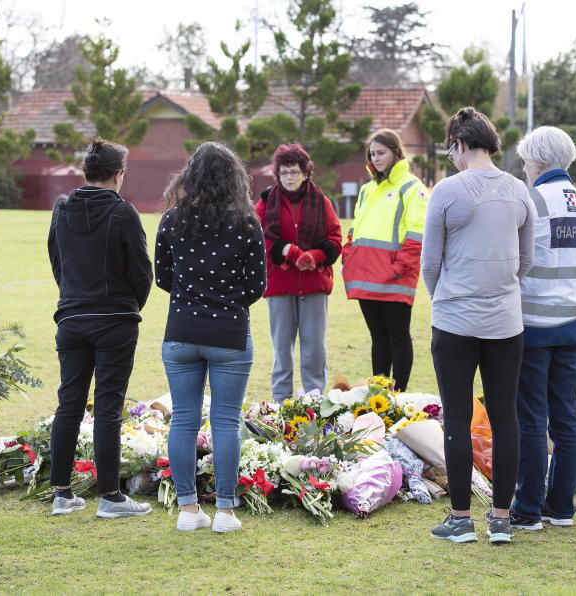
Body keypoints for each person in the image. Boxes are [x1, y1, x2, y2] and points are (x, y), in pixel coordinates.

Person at [421, 106, 536, 544]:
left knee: (458, 417)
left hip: (454, 319)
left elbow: (430, 263)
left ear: (462, 144)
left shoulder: (447, 191)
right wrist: (501, 289)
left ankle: (461, 518)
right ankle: (502, 519)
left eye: (452, 147)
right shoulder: (518, 190)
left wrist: (449, 296)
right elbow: (526, 260)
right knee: (505, 416)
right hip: (506, 320)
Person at [155, 142, 266, 533]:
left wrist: (194, 296)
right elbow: (257, 286)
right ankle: (224, 511)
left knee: (183, 421)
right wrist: (226, 301)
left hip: (182, 330)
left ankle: (187, 510)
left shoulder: (171, 221)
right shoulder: (248, 224)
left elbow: (163, 278)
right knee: (225, 421)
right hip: (229, 333)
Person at [47, 138, 153, 517]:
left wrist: (74, 298)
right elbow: (142, 271)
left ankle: (61, 491)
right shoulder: (124, 213)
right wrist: (128, 307)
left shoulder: (61, 210)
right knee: (108, 406)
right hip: (113, 320)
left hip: (72, 316)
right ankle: (110, 496)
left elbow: (56, 262)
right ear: (118, 175)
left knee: (69, 403)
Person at [509, 127, 576, 532]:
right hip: (573, 324)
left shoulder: (529, 200)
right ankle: (561, 506)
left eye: (526, 160)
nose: (525, 168)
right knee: (566, 418)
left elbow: (514, 263)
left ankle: (527, 508)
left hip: (531, 324)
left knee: (531, 418)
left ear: (537, 161)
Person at [342, 128, 429, 391]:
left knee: (398, 337)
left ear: (396, 152)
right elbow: (355, 227)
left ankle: (399, 394)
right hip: (366, 275)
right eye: (372, 153)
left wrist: (399, 267)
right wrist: (349, 256)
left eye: (381, 152)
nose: (376, 158)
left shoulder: (412, 188)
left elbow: (417, 231)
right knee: (378, 337)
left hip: (395, 276)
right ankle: (379, 393)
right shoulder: (367, 190)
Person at [255, 143, 342, 401]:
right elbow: (259, 239)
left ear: (305, 172)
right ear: (277, 174)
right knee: (282, 350)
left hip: (314, 285)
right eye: (284, 172)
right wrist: (289, 252)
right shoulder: (265, 203)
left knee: (314, 350)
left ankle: (314, 400)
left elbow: (335, 239)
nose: (289, 177)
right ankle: (280, 403)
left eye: (294, 172)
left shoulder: (322, 202)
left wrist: (315, 256)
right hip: (280, 285)